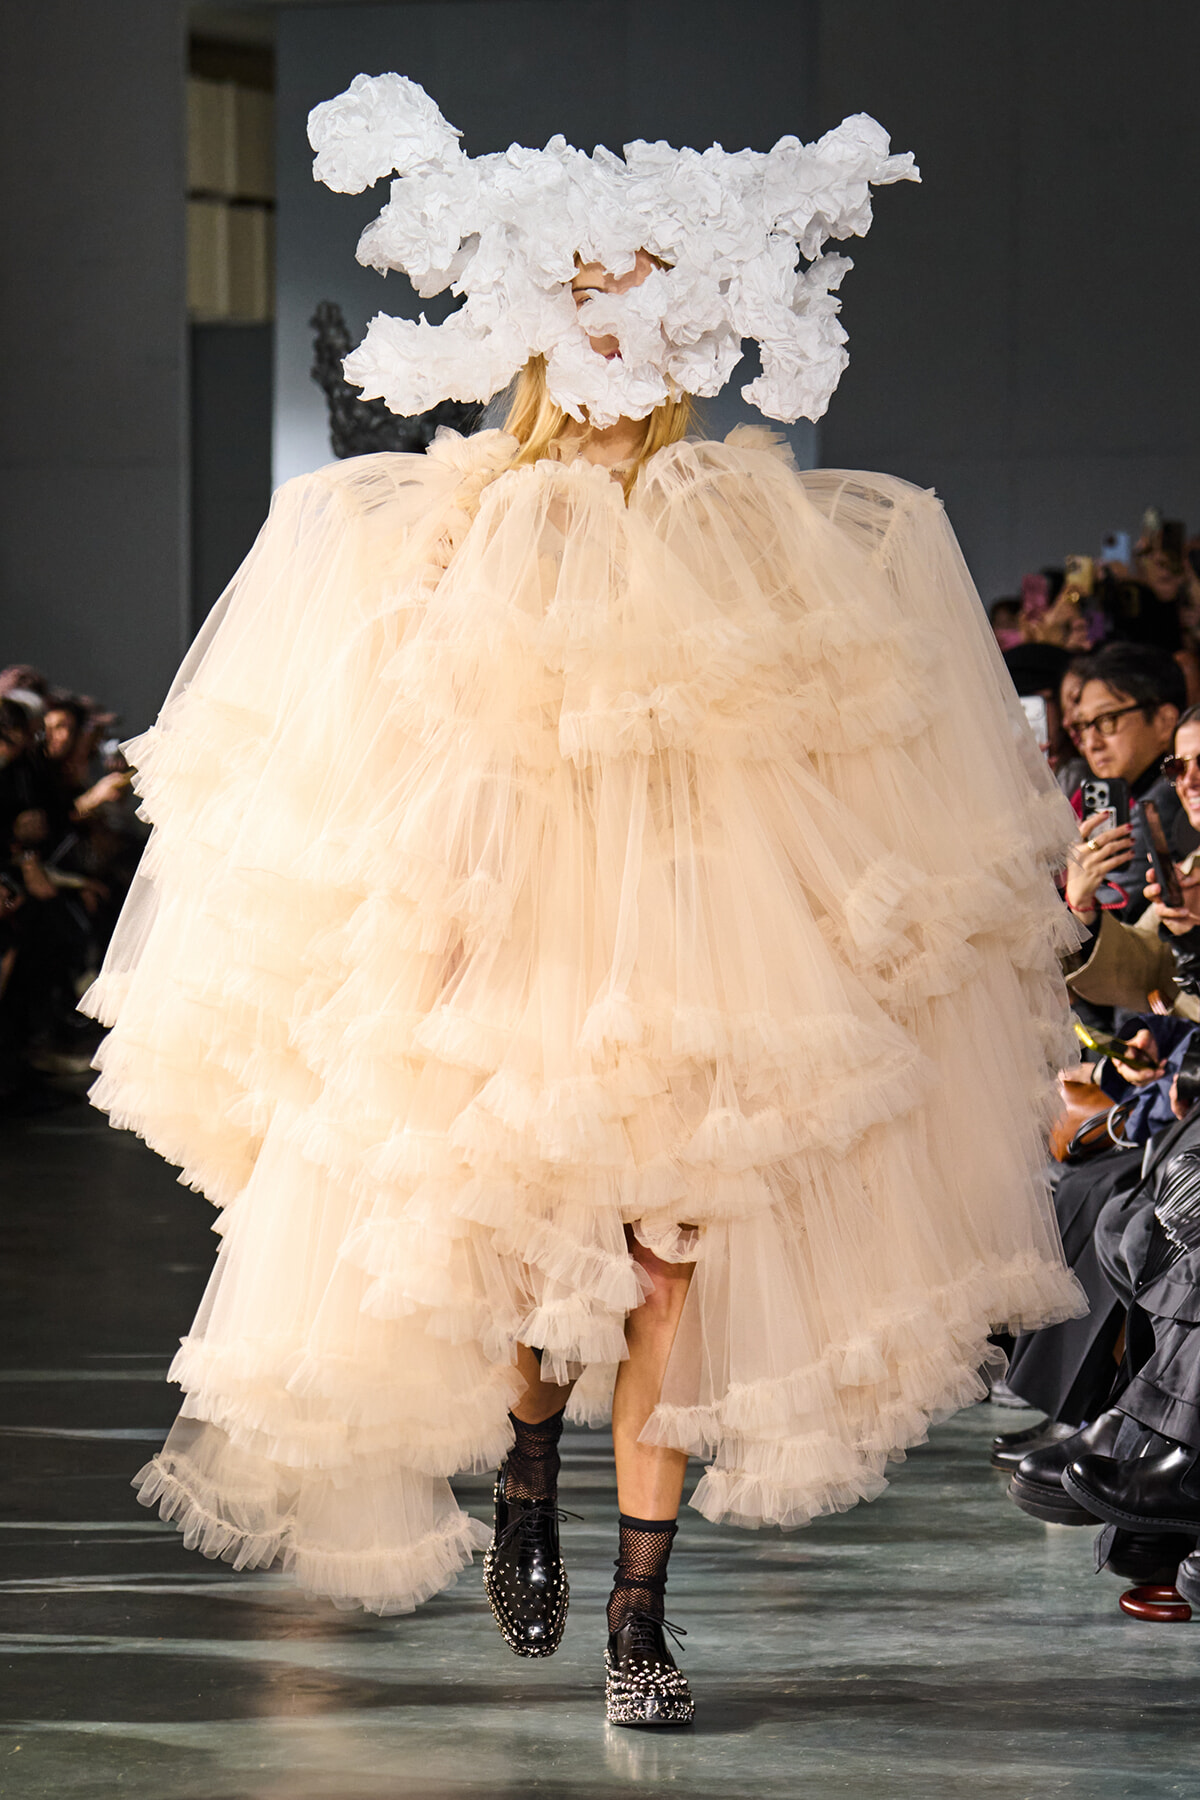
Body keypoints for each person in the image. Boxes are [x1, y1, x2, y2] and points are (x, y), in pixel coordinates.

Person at [83, 77, 1083, 1728]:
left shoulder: (749, 524)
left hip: (706, 958)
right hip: (521, 954)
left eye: (657, 313)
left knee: (673, 1272)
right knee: (542, 1288)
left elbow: (829, 738)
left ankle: (641, 1617)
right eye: (598, 310)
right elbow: (402, 746)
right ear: (548, 331)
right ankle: (530, 1463)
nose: (629, 350)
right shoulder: (455, 523)